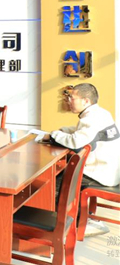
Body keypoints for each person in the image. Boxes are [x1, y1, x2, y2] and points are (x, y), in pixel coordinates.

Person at [49, 83, 120, 237]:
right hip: (109, 170)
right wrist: (62, 131)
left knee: (55, 181)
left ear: (86, 101)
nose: (68, 100)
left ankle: (64, 225)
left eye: (72, 97)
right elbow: (81, 132)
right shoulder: (100, 113)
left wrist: (53, 135)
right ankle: (78, 218)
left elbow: (76, 142)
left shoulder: (92, 118)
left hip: (101, 174)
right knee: (63, 172)